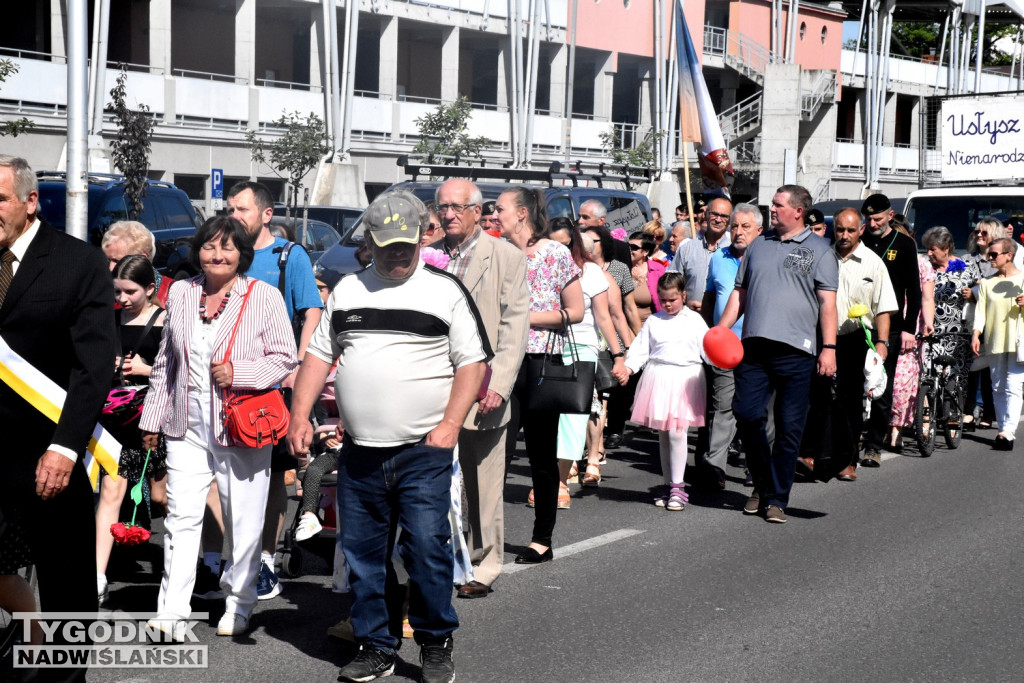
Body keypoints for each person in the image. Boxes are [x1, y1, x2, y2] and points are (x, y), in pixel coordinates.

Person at [287, 190, 490, 683]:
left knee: (426, 549)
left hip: (424, 449)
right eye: (388, 245)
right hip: (359, 454)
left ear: (422, 237)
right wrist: (298, 417)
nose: (399, 253)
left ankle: (435, 643)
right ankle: (376, 644)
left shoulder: (444, 291)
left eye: (407, 243)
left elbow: (473, 363)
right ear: (370, 242)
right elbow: (318, 356)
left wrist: (449, 426)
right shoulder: (350, 291)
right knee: (363, 555)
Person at [140, 216, 297, 639]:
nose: (217, 254)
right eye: (210, 246)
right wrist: (152, 419)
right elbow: (165, 365)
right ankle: (172, 610)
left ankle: (240, 602)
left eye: (227, 247)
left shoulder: (261, 295)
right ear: (198, 251)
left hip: (240, 422)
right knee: (180, 517)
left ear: (241, 253)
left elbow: (285, 357)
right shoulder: (182, 295)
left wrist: (240, 371)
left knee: (243, 517)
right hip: (185, 423)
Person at [0, 155, 116, 682]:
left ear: (28, 202)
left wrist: (65, 448)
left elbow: (93, 367)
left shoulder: (78, 262)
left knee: (66, 580)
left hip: (50, 454)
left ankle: (65, 679)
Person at [225, 180, 323, 601]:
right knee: (228, 477)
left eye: (242, 209)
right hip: (228, 382)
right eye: (230, 208)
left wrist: (296, 367)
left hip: (271, 382)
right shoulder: (224, 254)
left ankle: (264, 557)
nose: (234, 216)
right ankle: (229, 555)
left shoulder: (288, 255)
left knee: (266, 475)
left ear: (266, 214)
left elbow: (312, 311)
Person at [432, 178, 530, 599]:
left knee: (482, 483)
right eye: (443, 207)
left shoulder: (505, 257)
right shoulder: (426, 256)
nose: (449, 214)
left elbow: (514, 327)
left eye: (457, 207)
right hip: (433, 384)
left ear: (477, 211)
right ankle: (436, 561)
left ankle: (483, 564)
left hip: (484, 387)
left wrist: (501, 385)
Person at [717, 184, 838, 524]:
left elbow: (828, 304)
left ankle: (775, 498)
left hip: (796, 353)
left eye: (778, 204)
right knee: (747, 413)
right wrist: (721, 331)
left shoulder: (820, 250)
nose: (772, 209)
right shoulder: (759, 245)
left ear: (798, 211)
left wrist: (828, 349)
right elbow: (740, 294)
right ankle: (763, 482)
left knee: (788, 429)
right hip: (753, 348)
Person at [497, 186, 583, 565]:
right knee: (494, 451)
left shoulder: (555, 253)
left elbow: (576, 310)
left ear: (521, 213)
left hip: (541, 360)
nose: (493, 214)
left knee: (540, 453)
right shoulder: (495, 252)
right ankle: (483, 538)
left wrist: (527, 319)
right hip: (499, 360)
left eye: (499, 208)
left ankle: (542, 539)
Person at [803, 208, 897, 481]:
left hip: (856, 338)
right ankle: (813, 453)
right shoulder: (823, 257)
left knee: (850, 401)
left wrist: (881, 343)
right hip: (822, 336)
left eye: (850, 230)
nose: (844, 235)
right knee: (817, 396)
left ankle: (848, 460)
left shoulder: (873, 263)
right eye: (840, 230)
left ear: (861, 231)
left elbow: (883, 308)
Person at [95, 255, 167, 604]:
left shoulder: (165, 321)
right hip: (115, 421)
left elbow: (181, 376)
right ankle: (97, 576)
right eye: (117, 291)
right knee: (111, 492)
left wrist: (146, 369)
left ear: (151, 288)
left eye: (129, 291)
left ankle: (185, 567)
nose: (121, 298)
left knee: (161, 497)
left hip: (153, 422)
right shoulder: (108, 320)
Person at [614, 272, 708, 510]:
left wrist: (723, 359)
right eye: (663, 299)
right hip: (660, 376)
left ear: (684, 296)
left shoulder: (694, 320)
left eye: (673, 299)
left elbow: (708, 347)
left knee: (677, 432)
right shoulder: (654, 321)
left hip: (686, 378)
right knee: (664, 434)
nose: (667, 304)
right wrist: (628, 368)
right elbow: (640, 350)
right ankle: (668, 485)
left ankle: (678, 487)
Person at [548, 218, 627, 493]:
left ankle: (560, 482)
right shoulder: (540, 268)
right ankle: (559, 469)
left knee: (573, 413)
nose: (559, 250)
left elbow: (605, 317)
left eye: (566, 244)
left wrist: (619, 355)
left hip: (582, 346)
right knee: (550, 415)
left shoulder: (591, 272)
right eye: (554, 244)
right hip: (547, 346)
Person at [697, 203, 763, 487]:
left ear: (759, 230)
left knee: (754, 410)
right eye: (734, 226)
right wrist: (707, 334)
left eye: (745, 227)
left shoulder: (765, 258)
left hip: (757, 347)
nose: (737, 232)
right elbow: (710, 297)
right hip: (724, 345)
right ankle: (715, 468)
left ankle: (755, 466)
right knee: (722, 406)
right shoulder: (719, 258)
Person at [860, 193, 922, 467]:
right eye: (868, 218)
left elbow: (915, 291)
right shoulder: (859, 240)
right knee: (853, 387)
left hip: (893, 328)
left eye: (877, 218)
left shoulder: (905, 245)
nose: (872, 223)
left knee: (881, 389)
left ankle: (873, 445)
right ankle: (850, 446)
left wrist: (910, 329)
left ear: (889, 215)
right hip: (859, 324)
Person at [922, 225, 981, 440]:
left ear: (946, 248)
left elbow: (981, 290)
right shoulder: (926, 268)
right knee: (927, 375)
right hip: (932, 329)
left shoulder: (966, 266)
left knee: (957, 377)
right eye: (927, 249)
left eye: (933, 249)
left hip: (958, 331)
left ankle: (954, 418)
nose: (929, 253)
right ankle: (926, 422)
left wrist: (973, 295)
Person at [972, 238, 1024, 450]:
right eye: (989, 254)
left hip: (1018, 339)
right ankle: (1003, 428)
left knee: (1014, 386)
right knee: (997, 385)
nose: (989, 258)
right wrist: (976, 335)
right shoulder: (986, 282)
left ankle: (1008, 431)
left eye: (994, 254)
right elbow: (981, 312)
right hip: (994, 339)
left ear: (1008, 255)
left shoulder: (1023, 278)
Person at [963, 217, 1004, 430]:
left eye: (984, 233)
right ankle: (967, 412)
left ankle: (989, 412)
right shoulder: (966, 259)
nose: (979, 235)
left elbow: (1000, 288)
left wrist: (976, 292)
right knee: (970, 368)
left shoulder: (1000, 262)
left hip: (993, 321)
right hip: (969, 322)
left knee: (990, 371)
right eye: (976, 232)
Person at [670, 196, 732, 311]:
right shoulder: (686, 249)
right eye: (714, 214)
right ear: (706, 215)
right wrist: (684, 303)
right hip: (690, 319)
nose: (718, 220)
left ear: (729, 221)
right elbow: (672, 286)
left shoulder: (735, 251)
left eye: (724, 216)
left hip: (721, 322)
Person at [102, 220, 173, 306]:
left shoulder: (172, 293)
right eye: (108, 260)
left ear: (142, 259)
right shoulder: (103, 292)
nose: (110, 267)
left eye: (117, 261)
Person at [629, 232, 667, 323]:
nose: (629, 250)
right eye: (628, 246)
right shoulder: (622, 268)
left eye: (634, 247)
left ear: (646, 252)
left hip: (653, 324)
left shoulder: (658, 270)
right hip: (628, 326)